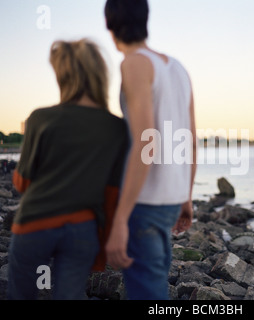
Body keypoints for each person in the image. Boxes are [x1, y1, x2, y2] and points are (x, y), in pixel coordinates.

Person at [7, 39, 128, 300]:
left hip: (34, 224)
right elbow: (111, 194)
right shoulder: (117, 128)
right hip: (82, 229)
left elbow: (22, 183)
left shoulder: (39, 118)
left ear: (63, 75)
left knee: (20, 294)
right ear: (99, 75)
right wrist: (107, 242)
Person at [104, 0, 197, 300]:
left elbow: (146, 140)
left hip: (143, 204)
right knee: (156, 289)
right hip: (171, 199)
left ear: (110, 27)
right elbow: (191, 139)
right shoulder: (179, 69)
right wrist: (186, 196)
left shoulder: (133, 64)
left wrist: (120, 218)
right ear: (146, 20)